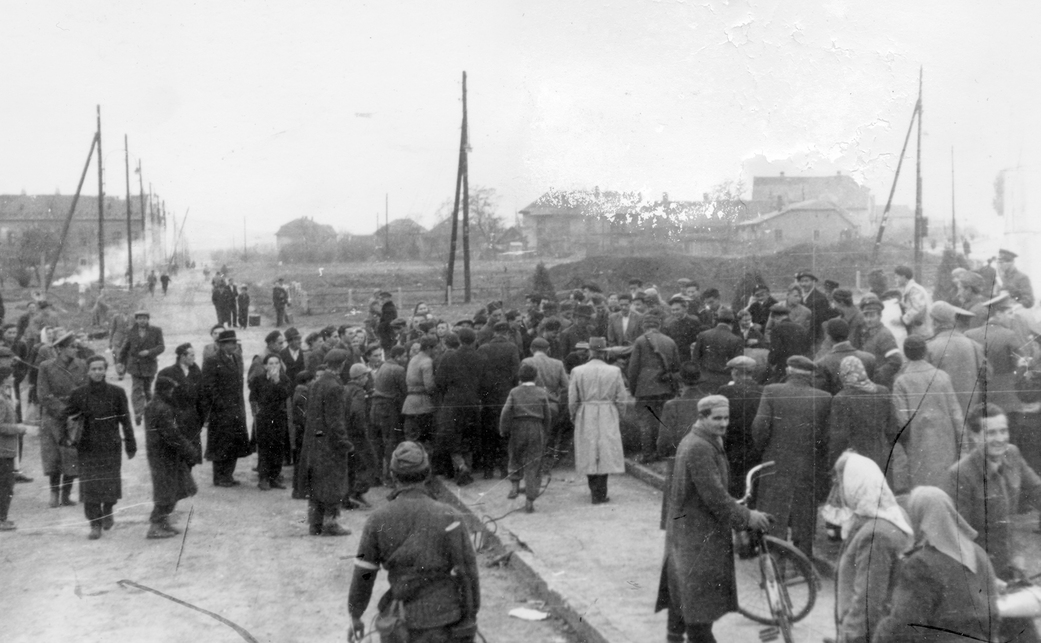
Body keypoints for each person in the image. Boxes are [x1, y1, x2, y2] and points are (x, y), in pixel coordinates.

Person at [655, 395, 772, 643]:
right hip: (696, 536)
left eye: (726, 418)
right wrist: (748, 516)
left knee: (682, 592)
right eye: (717, 418)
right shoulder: (699, 446)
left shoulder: (705, 440)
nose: (723, 423)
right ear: (702, 417)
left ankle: (674, 638)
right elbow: (715, 496)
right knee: (698, 607)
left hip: (690, 531)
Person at [347, 441, 480, 642]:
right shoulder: (451, 516)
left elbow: (363, 574)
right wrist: (470, 615)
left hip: (401, 624)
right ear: (427, 474)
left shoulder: (377, 520)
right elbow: (470, 573)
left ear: (392, 475)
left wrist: (355, 616)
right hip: (446, 622)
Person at [873, 486, 1000, 643]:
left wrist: (879, 633)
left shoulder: (921, 563)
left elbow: (905, 627)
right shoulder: (978, 553)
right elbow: (994, 615)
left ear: (918, 516)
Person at [825, 452, 913, 643]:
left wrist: (849, 636)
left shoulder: (875, 535)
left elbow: (868, 602)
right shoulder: (892, 514)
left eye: (840, 483)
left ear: (855, 484)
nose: (837, 491)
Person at [751, 355, 832, 559]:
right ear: (811, 375)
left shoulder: (771, 391)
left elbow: (760, 427)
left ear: (788, 371)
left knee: (773, 508)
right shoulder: (824, 398)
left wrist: (764, 450)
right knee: (804, 512)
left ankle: (774, 562)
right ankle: (802, 560)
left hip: (774, 461)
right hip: (807, 462)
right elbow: (825, 437)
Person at [64, 356, 135, 540]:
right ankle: (95, 523)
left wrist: (130, 442)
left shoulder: (117, 392)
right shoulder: (78, 394)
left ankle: (108, 508)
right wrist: (67, 435)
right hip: (87, 447)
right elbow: (67, 417)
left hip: (110, 444)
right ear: (88, 371)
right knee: (90, 486)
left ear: (105, 370)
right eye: (93, 369)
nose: (97, 372)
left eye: (100, 369)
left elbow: (125, 419)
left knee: (110, 482)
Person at [892, 336, 964, 488]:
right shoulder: (943, 377)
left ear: (905, 354)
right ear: (925, 351)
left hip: (918, 447)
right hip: (946, 444)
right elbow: (957, 415)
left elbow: (903, 422)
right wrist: (964, 447)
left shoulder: (901, 382)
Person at [299, 349, 352, 536]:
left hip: (315, 441)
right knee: (333, 483)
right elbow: (335, 420)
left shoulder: (316, 384)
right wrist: (344, 442)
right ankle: (332, 523)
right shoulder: (335, 387)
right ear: (343, 364)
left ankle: (315, 524)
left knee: (316, 482)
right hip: (330, 444)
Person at [569, 337, 628, 504]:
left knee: (588, 448)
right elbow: (621, 397)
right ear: (604, 352)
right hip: (607, 411)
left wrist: (573, 414)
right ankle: (601, 492)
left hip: (586, 411)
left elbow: (572, 398)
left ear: (590, 351)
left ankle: (594, 489)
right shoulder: (614, 371)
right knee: (605, 450)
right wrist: (619, 415)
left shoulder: (578, 371)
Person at [144, 376, 199, 539]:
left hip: (160, 453)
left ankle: (163, 522)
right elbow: (172, 435)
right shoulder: (163, 409)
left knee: (175, 487)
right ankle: (155, 525)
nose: (173, 393)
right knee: (166, 490)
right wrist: (190, 450)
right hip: (164, 455)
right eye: (172, 390)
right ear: (165, 391)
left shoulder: (153, 405)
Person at [37, 332, 87, 508]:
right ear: (60, 348)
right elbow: (43, 395)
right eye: (71, 347)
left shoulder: (81, 365)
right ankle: (54, 493)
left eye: (76, 346)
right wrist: (62, 411)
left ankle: (66, 494)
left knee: (71, 454)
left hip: (75, 417)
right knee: (53, 456)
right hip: (53, 416)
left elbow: (85, 390)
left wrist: (76, 411)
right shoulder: (46, 366)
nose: (75, 350)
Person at [657, 363, 710, 528]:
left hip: (678, 459)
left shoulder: (672, 405)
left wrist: (663, 453)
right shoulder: (708, 402)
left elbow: (664, 440)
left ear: (681, 382)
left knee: (677, 511)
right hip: (706, 459)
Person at [827, 356, 896, 473]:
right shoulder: (882, 391)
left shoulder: (841, 399)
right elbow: (892, 429)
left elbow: (839, 438)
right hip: (882, 456)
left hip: (855, 461)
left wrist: (833, 463)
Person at [434, 328, 485, 486]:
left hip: (453, 402)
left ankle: (461, 466)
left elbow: (439, 381)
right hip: (472, 402)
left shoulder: (449, 357)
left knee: (452, 438)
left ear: (459, 340)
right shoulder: (480, 357)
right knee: (468, 437)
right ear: (474, 340)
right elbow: (484, 382)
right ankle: (467, 469)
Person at [201, 330, 251, 487]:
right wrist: (220, 404)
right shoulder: (212, 360)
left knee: (234, 441)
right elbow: (209, 386)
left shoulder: (235, 358)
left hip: (236, 407)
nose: (234, 345)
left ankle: (228, 474)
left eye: (235, 343)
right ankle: (219, 476)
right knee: (221, 442)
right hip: (220, 410)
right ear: (221, 345)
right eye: (231, 343)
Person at [499, 363, 552, 513]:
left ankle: (515, 486)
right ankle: (530, 500)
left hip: (518, 427)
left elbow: (505, 411)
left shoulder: (514, 392)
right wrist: (546, 432)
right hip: (536, 428)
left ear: (520, 377)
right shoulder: (541, 392)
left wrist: (504, 429)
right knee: (533, 464)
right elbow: (547, 415)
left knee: (515, 456)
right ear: (536, 377)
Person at [628, 314, 681, 463]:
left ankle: (647, 454)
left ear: (644, 326)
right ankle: (662, 452)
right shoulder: (670, 341)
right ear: (659, 326)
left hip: (645, 388)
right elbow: (677, 368)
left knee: (646, 422)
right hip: (665, 387)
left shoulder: (640, 341)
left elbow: (633, 369)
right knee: (662, 421)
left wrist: (633, 390)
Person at [925, 301, 987, 416]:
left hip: (942, 411)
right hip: (970, 410)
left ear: (935, 322)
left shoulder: (929, 348)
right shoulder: (974, 345)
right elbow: (987, 375)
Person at [477, 322, 520, 478]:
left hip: (487, 397)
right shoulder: (512, 348)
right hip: (505, 396)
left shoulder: (483, 348)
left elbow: (479, 375)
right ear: (507, 333)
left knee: (488, 434)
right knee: (504, 433)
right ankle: (504, 470)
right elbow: (516, 374)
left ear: (494, 333)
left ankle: (488, 471)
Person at [717, 356, 764, 497]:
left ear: (735, 372)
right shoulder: (763, 390)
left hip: (730, 445)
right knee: (751, 485)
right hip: (753, 445)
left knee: (730, 486)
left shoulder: (725, 391)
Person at [521, 337, 568, 470]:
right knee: (550, 433)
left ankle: (533, 465)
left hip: (532, 405)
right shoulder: (558, 363)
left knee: (533, 436)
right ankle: (546, 464)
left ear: (531, 349)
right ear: (548, 350)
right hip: (552, 404)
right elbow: (566, 386)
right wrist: (557, 398)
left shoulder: (527, 361)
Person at [156, 344, 205, 470]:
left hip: (192, 419)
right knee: (178, 453)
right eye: (191, 355)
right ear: (182, 356)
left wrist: (203, 417)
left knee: (192, 454)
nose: (194, 358)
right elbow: (160, 396)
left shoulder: (195, 371)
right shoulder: (167, 372)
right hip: (176, 418)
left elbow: (201, 395)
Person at [116, 310, 166, 426]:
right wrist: (119, 361)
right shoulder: (130, 331)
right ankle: (138, 413)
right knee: (137, 388)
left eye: (144, 318)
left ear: (148, 319)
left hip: (149, 364)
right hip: (135, 365)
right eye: (139, 318)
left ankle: (151, 412)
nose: (142, 321)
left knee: (148, 389)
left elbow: (161, 347)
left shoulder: (156, 330)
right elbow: (125, 347)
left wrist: (149, 352)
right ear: (136, 320)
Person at [251, 354, 292, 490]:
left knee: (278, 447)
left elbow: (285, 394)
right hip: (264, 418)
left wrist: (276, 382)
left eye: (276, 363)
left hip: (279, 417)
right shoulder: (259, 380)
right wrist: (255, 412)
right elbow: (254, 397)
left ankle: (274, 477)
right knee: (264, 448)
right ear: (265, 366)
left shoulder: (284, 379)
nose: (274, 366)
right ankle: (263, 478)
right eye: (271, 363)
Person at [371, 345, 408, 486]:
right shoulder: (398, 369)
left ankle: (379, 475)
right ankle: (390, 477)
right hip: (388, 409)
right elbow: (404, 391)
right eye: (404, 356)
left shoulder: (384, 366)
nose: (406, 359)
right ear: (397, 357)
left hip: (376, 408)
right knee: (390, 442)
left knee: (380, 443)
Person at [0, 366, 30, 531]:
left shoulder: (4, 396)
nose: (13, 378)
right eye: (10, 376)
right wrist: (17, 428)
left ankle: (2, 517)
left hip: (6, 449)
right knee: (5, 485)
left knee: (6, 485)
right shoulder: (1, 399)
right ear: (4, 379)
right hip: (3, 450)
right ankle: (1, 519)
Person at [813, 318, 876, 396]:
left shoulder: (822, 363)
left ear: (828, 336)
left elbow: (820, 394)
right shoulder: (870, 358)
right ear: (847, 334)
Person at [344, 363, 378, 507]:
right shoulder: (358, 391)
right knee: (370, 462)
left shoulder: (346, 389)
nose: (367, 379)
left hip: (347, 433)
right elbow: (356, 412)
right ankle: (357, 491)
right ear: (360, 377)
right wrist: (362, 430)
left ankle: (349, 494)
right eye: (366, 376)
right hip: (357, 435)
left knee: (351, 465)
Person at [854, 295, 903, 390]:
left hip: (881, 386)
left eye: (872, 315)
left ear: (880, 316)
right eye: (866, 315)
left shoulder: (884, 335)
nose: (868, 319)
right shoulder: (865, 333)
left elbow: (896, 361)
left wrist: (877, 377)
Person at [690, 308, 743, 393]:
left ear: (717, 321)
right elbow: (737, 366)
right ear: (732, 323)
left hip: (704, 380)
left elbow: (695, 359)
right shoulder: (736, 340)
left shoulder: (703, 335)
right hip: (725, 381)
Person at [894, 265, 933, 339]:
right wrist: (902, 305)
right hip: (919, 330)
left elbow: (918, 309)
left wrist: (902, 320)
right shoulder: (911, 289)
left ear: (903, 277)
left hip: (922, 332)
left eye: (896, 277)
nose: (895, 280)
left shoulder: (914, 289)